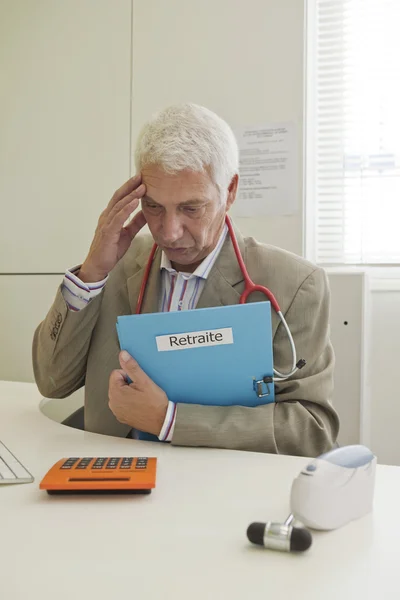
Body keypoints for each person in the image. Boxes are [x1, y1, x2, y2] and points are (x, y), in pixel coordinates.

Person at [32, 103, 339, 456]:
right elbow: (52, 381)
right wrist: (91, 275)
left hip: (217, 490)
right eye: (153, 207)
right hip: (114, 483)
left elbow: (311, 430)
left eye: (191, 208)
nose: (170, 232)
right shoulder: (116, 263)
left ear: (230, 191)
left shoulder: (296, 284)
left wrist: (171, 419)